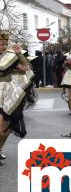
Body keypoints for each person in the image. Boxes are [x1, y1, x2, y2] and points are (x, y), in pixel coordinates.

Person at [0, 30, 33, 165]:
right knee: (1, 121)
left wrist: (19, 53)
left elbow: (26, 67)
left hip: (8, 91)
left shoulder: (9, 57)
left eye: (5, 44)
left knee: (8, 123)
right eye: (2, 44)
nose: (4, 46)